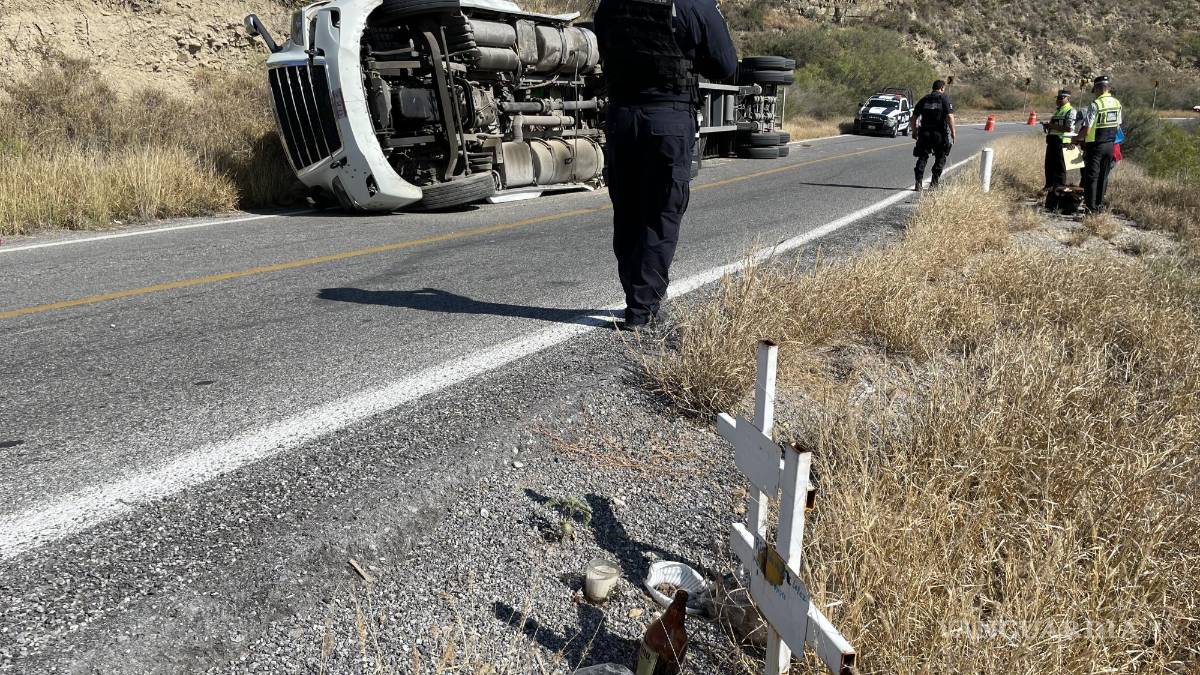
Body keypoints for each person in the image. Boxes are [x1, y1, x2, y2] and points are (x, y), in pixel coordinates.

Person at [594, 0, 738, 329]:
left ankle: (636, 299)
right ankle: (642, 312)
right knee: (660, 214)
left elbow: (605, 51)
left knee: (628, 211)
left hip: (621, 117)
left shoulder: (610, 6)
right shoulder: (692, 6)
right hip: (667, 117)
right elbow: (725, 65)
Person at [1077, 75, 1123, 213]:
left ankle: (1090, 209)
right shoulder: (1117, 103)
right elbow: (1118, 124)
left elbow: (1087, 128)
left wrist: (1077, 139)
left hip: (1095, 146)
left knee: (1091, 177)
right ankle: (1099, 206)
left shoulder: (1095, 104)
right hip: (1110, 145)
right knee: (1103, 176)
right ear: (1108, 88)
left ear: (1098, 89)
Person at [911, 80, 957, 191]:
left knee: (922, 157)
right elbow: (950, 117)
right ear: (942, 88)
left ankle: (918, 183)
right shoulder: (944, 99)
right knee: (940, 157)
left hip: (924, 133)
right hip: (939, 134)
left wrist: (914, 131)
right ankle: (934, 183)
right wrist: (953, 132)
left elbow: (913, 118)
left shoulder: (924, 99)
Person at [1041, 89, 1077, 206]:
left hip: (1063, 143)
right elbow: (1056, 126)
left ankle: (1059, 191)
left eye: (1062, 98)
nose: (1058, 100)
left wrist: (1052, 125)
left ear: (1068, 99)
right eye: (1057, 98)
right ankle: (1049, 189)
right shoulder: (1058, 111)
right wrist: (1048, 127)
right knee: (1049, 166)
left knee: (1060, 170)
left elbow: (1069, 128)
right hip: (1052, 142)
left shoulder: (1070, 111)